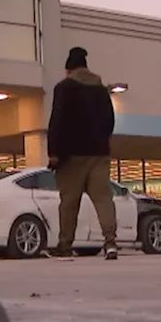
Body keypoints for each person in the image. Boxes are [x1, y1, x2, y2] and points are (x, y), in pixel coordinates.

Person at [46, 46, 118, 260]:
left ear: (69, 69)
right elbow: (110, 121)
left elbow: (57, 121)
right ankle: (110, 242)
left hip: (72, 156)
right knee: (104, 199)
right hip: (99, 154)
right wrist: (102, 141)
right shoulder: (101, 89)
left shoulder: (64, 88)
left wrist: (54, 152)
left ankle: (65, 245)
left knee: (69, 202)